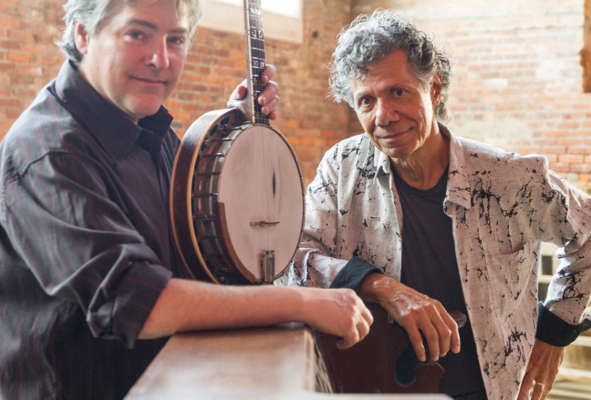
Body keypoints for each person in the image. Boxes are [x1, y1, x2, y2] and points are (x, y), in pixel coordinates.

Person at [0, 1, 374, 399]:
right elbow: (137, 300)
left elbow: (194, 239)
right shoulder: (48, 153)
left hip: (170, 379)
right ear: (83, 34)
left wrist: (233, 131)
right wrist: (301, 301)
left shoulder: (150, 130)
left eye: (175, 39)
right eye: (137, 34)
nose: (160, 59)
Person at [290, 10, 591, 400]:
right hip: (372, 388)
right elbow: (296, 256)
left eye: (398, 92)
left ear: (434, 89)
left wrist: (554, 333)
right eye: (366, 100)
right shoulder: (341, 167)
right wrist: (380, 287)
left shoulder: (508, 177)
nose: (383, 116)